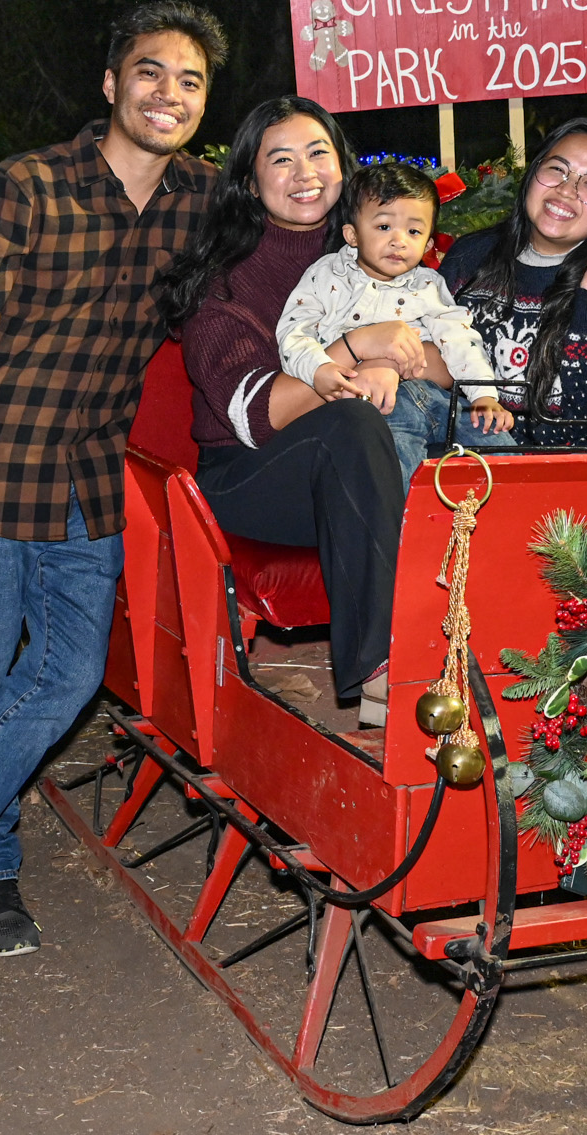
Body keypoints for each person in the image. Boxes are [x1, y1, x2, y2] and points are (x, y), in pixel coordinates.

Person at [0, 0, 227, 966]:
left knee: (63, 678)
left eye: (190, 82)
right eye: (151, 72)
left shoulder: (201, 202)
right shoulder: (26, 186)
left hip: (92, 480)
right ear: (111, 84)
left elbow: (300, 222)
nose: (168, 94)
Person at [154, 96, 431, 728]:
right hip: (248, 477)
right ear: (251, 182)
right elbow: (254, 414)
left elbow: (441, 355)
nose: (305, 172)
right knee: (347, 423)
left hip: (367, 473)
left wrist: (397, 358)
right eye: (281, 160)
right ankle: (385, 672)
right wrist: (359, 346)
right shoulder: (225, 282)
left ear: (343, 166)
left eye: (318, 154)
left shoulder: (384, 248)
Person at [277, 161, 515, 487]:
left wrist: (484, 395)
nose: (399, 240)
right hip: (377, 408)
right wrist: (319, 368)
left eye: (414, 231)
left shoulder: (429, 284)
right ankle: (409, 536)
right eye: (384, 227)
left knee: (502, 450)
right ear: (352, 234)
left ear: (429, 245)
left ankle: (531, 529)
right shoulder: (326, 275)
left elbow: (460, 337)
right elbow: (294, 330)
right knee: (395, 476)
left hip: (439, 397)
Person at [439, 118, 587, 445]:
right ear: (532, 175)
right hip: (462, 473)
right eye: (557, 169)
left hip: (566, 483)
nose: (567, 190)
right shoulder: (469, 259)